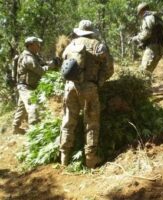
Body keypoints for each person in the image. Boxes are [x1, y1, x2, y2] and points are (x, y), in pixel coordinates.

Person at [60, 20, 113, 168]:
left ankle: (64, 157)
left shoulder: (70, 46)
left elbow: (63, 66)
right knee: (91, 122)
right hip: (89, 88)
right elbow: (109, 69)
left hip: (70, 87)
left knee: (68, 120)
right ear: (91, 32)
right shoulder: (98, 45)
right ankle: (90, 159)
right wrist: (99, 82)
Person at [12, 36, 59, 134]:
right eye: (37, 44)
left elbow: (43, 63)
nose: (39, 46)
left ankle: (15, 128)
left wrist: (52, 62)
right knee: (32, 105)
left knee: (22, 108)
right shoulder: (28, 58)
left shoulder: (34, 56)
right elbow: (41, 71)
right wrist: (52, 65)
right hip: (25, 87)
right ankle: (35, 129)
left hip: (28, 86)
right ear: (31, 45)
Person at [129, 2, 163, 73]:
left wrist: (136, 38)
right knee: (147, 72)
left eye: (139, 13)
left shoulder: (148, 18)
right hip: (158, 48)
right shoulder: (156, 18)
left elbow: (146, 34)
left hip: (152, 49)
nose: (140, 15)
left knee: (143, 73)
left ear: (142, 10)